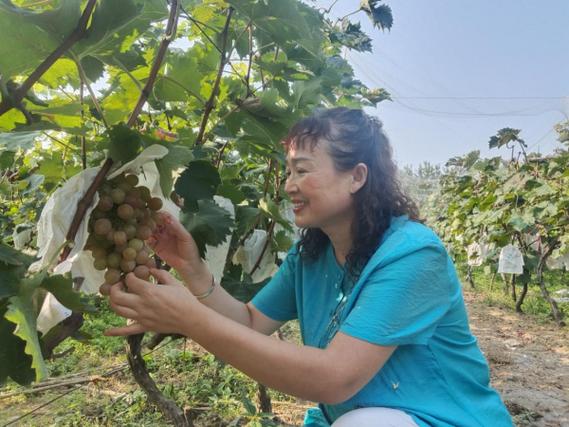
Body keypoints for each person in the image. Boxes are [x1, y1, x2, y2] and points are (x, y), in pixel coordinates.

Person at [101, 108, 513, 426]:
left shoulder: (413, 256)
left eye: (302, 170)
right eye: (287, 172)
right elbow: (250, 321)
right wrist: (193, 270)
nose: (289, 185)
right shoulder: (311, 253)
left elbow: (334, 378)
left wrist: (189, 319)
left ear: (357, 176)